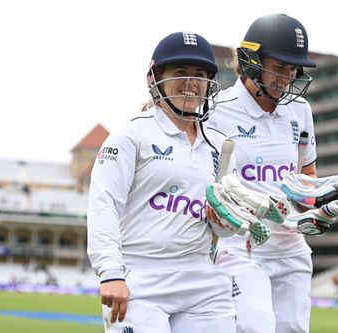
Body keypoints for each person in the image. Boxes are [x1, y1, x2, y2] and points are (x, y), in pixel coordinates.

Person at [87, 31, 236, 333]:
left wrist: (224, 221)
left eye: (199, 75)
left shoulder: (222, 146)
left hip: (202, 277)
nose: (191, 82)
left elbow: (222, 228)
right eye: (180, 72)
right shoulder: (132, 134)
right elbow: (104, 203)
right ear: (156, 78)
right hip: (141, 274)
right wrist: (111, 273)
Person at [206, 14, 319, 333]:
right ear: (251, 60)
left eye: (293, 70)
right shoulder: (217, 109)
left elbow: (306, 175)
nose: (287, 78)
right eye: (279, 67)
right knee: (256, 326)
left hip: (290, 245)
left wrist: (314, 205)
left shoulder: (301, 111)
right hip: (240, 243)